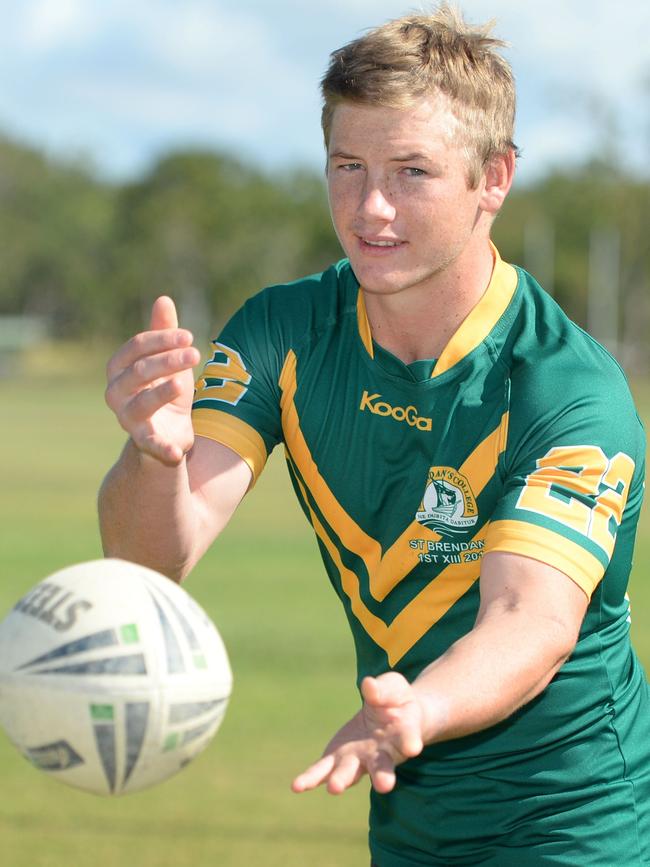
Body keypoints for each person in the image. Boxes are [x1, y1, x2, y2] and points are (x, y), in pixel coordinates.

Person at [98, 5, 650, 865]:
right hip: (408, 825)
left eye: (412, 171)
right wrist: (152, 456)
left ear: (494, 177)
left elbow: (528, 619)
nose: (371, 206)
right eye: (347, 165)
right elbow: (149, 566)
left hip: (573, 825)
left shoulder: (568, 392)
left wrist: (416, 711)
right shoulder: (282, 334)